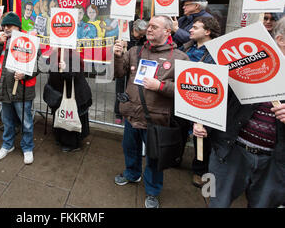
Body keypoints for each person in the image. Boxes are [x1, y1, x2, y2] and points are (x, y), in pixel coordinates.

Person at [194, 16, 285, 208]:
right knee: (214, 199)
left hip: (274, 162)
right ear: (281, 40)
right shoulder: (248, 60)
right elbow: (218, 96)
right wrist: (203, 122)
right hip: (229, 151)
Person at [113, 15, 189, 208]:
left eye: (155, 26)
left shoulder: (180, 57)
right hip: (132, 114)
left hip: (156, 119)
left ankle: (153, 190)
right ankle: (132, 174)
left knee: (155, 158)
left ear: (167, 31)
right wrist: (118, 56)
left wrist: (160, 86)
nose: (149, 28)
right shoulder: (135, 50)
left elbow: (186, 89)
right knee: (130, 149)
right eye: (149, 26)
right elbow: (119, 73)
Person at [0, 12, 41, 165]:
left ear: (18, 26)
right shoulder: (0, 40)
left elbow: (39, 65)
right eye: (4, 25)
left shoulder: (30, 40)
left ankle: (27, 147)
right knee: (7, 120)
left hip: (22, 90)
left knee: (26, 122)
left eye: (9, 25)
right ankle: (7, 145)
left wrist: (26, 74)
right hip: (4, 88)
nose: (6, 28)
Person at [179, 16, 221, 188]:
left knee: (201, 137)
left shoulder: (216, 53)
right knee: (180, 130)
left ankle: (200, 170)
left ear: (208, 32)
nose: (190, 29)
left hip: (203, 100)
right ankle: (175, 158)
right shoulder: (187, 48)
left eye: (195, 27)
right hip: (183, 97)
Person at [45, 47, 92, 152]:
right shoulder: (56, 53)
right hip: (60, 94)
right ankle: (61, 138)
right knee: (62, 116)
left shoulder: (73, 56)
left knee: (71, 118)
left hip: (74, 95)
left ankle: (73, 144)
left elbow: (73, 75)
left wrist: (65, 69)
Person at [114, 19, 148, 125]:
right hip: (123, 65)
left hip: (136, 68)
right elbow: (115, 50)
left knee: (132, 90)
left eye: (143, 35)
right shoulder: (123, 34)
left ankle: (129, 112)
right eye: (140, 34)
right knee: (120, 89)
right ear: (134, 30)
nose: (141, 37)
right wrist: (122, 45)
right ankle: (118, 113)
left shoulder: (144, 38)